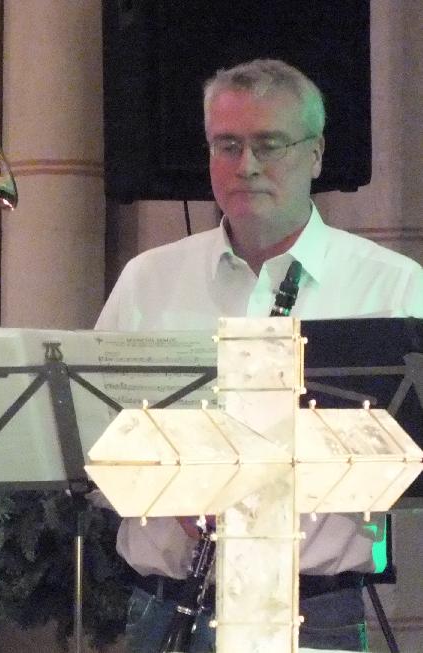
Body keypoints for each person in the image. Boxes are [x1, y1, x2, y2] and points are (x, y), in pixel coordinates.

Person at [96, 59, 423, 652]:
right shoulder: (148, 280)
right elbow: (94, 443)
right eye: (227, 146)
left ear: (316, 155)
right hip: (166, 606)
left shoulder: (394, 287)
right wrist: (174, 490)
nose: (246, 165)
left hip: (316, 608)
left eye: (269, 145)